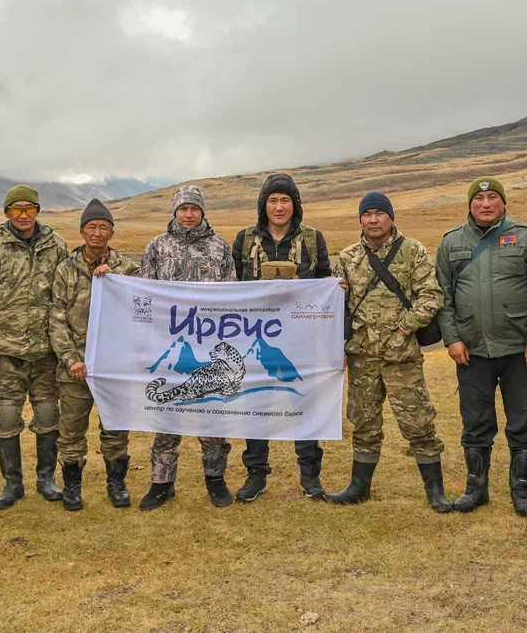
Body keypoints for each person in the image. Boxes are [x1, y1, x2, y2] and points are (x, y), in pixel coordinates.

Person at [327, 191, 451, 513]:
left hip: (401, 356)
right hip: (362, 356)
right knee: (364, 422)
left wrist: (402, 329)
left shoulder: (413, 252)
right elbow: (330, 306)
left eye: (379, 213)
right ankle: (359, 487)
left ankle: (435, 491)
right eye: (366, 214)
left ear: (391, 217)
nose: (373, 220)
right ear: (360, 220)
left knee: (418, 422)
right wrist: (333, 291)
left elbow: (431, 296)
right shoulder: (347, 257)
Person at [435, 176, 527, 517]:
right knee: (475, 421)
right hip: (471, 349)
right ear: (470, 204)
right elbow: (442, 296)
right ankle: (476, 489)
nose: (486, 204)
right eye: (479, 198)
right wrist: (452, 338)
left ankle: (522, 492)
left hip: (519, 348)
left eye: (493, 198)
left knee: (523, 421)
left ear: (503, 202)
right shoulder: (451, 242)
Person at [230, 173, 333, 502]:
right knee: (256, 405)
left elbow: (325, 284)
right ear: (263, 206)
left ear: (295, 205)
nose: (279, 206)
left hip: (301, 341)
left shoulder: (314, 239)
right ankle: (256, 474)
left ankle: (310, 476)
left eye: (285, 200)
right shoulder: (245, 240)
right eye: (272, 200)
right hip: (255, 340)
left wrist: (335, 290)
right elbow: (230, 289)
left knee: (304, 405)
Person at [137, 185, 237, 511]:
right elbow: (143, 295)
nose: (189, 214)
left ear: (203, 211)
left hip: (210, 348)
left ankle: (216, 481)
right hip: (170, 347)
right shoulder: (157, 247)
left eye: (194, 208)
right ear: (175, 211)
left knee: (212, 417)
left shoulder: (220, 248)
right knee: (167, 417)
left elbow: (233, 298)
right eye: (183, 208)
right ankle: (161, 484)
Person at [0, 185, 69, 510]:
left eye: (29, 208)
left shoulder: (57, 245)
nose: (23, 215)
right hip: (7, 351)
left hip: (46, 352)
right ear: (7, 212)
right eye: (17, 209)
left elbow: (69, 295)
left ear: (37, 211)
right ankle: (12, 484)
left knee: (48, 413)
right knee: (7, 416)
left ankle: (47, 479)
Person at [50, 199, 141, 511]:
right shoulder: (65, 270)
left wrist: (116, 281)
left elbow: (141, 312)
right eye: (92, 227)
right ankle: (72, 486)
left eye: (104, 227)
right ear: (82, 231)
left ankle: (117, 483)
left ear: (112, 233)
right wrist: (71, 359)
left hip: (114, 367)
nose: (98, 232)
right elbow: (56, 319)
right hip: (75, 369)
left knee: (115, 429)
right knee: (71, 432)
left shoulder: (128, 269)